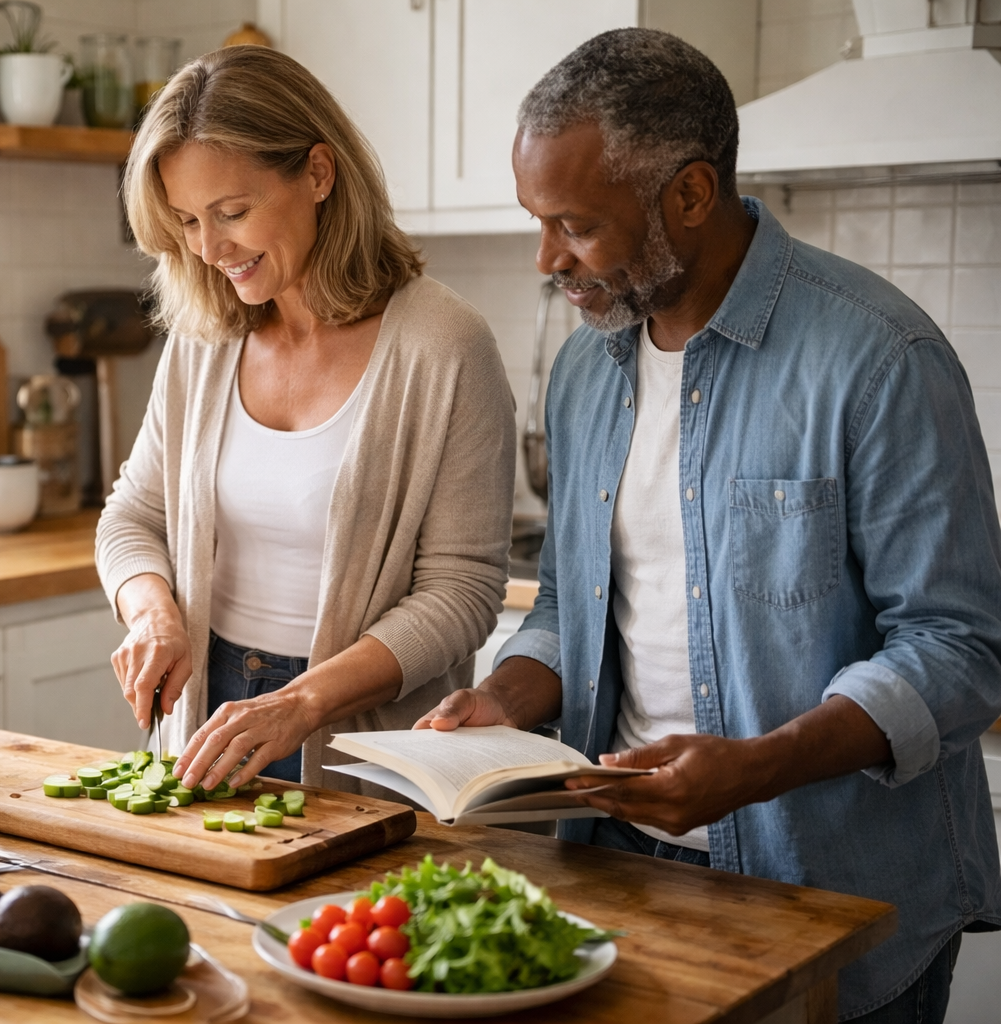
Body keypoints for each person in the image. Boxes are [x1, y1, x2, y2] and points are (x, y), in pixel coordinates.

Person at [415, 28, 1001, 1023]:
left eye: (575, 225)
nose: (549, 258)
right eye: (538, 221)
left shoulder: (879, 356)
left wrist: (758, 765)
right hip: (623, 875)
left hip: (829, 892)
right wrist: (505, 697)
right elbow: (569, 606)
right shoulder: (583, 376)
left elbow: (957, 648)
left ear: (688, 195)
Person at [97, 45, 516, 792]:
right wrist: (152, 615)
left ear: (319, 174)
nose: (208, 248)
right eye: (188, 220)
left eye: (232, 213)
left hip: (366, 737)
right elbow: (132, 516)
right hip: (207, 714)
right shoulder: (204, 340)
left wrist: (301, 703)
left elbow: (462, 592)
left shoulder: (444, 346)